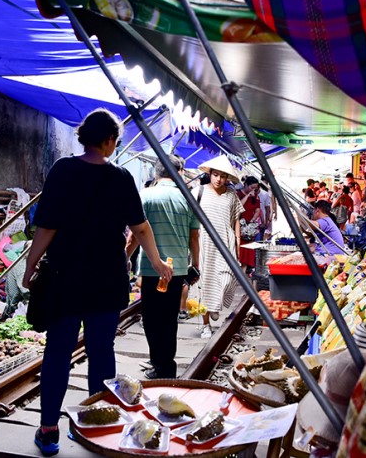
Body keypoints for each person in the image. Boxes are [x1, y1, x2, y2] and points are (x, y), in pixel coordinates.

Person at [22, 109, 172, 456]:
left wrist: (30, 266)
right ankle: (96, 428)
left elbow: (47, 226)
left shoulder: (62, 169)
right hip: (107, 278)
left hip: (65, 277)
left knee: (57, 353)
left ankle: (48, 431)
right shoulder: (121, 178)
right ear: (109, 141)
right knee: (101, 352)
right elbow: (141, 227)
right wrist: (156, 261)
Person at [126, 155, 199, 379]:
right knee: (169, 318)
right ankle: (165, 364)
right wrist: (195, 264)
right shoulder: (187, 198)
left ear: (156, 174)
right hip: (176, 269)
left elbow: (137, 234)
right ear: (178, 172)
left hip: (151, 269)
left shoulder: (145, 195)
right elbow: (193, 237)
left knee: (151, 318)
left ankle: (161, 364)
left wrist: (125, 256)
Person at [197, 155, 244, 340]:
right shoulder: (198, 192)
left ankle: (215, 305)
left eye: (223, 176)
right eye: (216, 175)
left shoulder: (231, 195)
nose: (219, 179)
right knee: (205, 283)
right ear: (210, 174)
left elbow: (236, 220)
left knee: (227, 278)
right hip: (204, 243)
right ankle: (205, 324)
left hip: (226, 242)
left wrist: (237, 242)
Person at [237, 176, 261, 271]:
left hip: (249, 228)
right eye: (252, 188)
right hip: (239, 226)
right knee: (239, 251)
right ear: (246, 185)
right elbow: (238, 206)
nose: (253, 190)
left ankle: (243, 273)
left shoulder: (255, 197)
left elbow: (257, 210)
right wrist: (247, 196)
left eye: (255, 188)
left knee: (248, 252)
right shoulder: (238, 194)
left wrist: (252, 220)